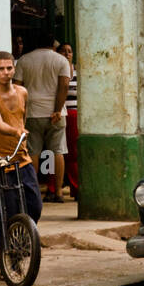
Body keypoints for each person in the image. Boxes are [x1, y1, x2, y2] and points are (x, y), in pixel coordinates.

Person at [0, 51, 42, 235]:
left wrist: (20, 132)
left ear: (14, 69)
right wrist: (17, 132)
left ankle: (23, 240)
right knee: (10, 211)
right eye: (1, 69)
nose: (6, 72)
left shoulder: (23, 92)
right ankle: (8, 251)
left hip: (22, 157)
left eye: (9, 68)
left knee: (35, 206)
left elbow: (23, 118)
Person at [13, 36, 71, 201]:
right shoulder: (61, 60)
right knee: (57, 151)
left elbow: (17, 87)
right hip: (56, 114)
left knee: (34, 152)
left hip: (32, 113)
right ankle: (58, 192)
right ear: (53, 44)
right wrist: (57, 110)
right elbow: (64, 85)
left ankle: (35, 191)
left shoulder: (24, 60)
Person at [61, 42, 79, 202]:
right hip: (60, 114)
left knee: (73, 153)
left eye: (70, 51)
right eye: (64, 51)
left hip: (73, 114)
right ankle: (54, 187)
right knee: (56, 152)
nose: (67, 54)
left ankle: (76, 187)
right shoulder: (57, 70)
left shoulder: (78, 72)